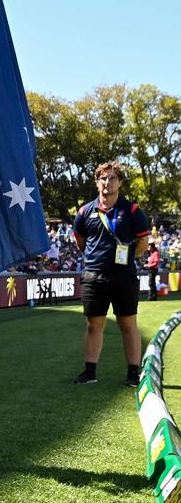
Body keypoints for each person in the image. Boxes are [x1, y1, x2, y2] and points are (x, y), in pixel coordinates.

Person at [71, 160, 150, 386]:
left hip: (124, 277)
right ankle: (90, 373)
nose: (108, 182)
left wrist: (129, 256)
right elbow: (80, 240)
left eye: (112, 178)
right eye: (103, 178)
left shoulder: (132, 210)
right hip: (94, 276)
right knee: (93, 325)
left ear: (120, 182)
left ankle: (133, 374)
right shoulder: (85, 211)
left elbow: (143, 240)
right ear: (97, 182)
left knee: (128, 325)